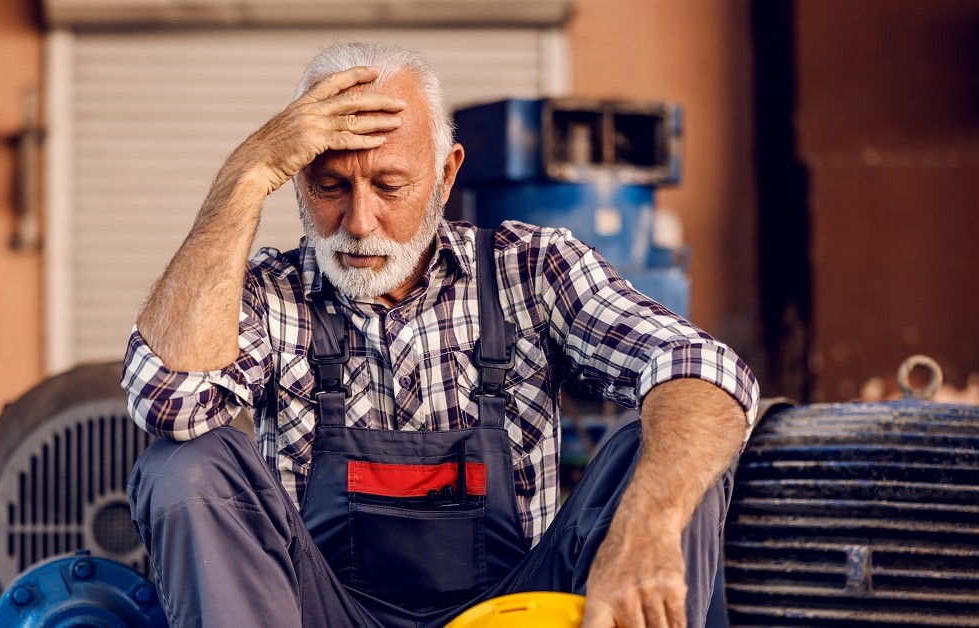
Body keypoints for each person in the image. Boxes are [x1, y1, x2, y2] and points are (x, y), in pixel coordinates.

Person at [123, 42, 758, 628]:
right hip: (319, 613)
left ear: (446, 174)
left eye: (389, 186)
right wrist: (246, 173)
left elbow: (705, 367)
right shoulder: (268, 293)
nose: (359, 221)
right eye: (330, 186)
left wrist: (647, 525)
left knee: (672, 440)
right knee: (187, 465)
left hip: (516, 615)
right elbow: (168, 403)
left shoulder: (531, 269)